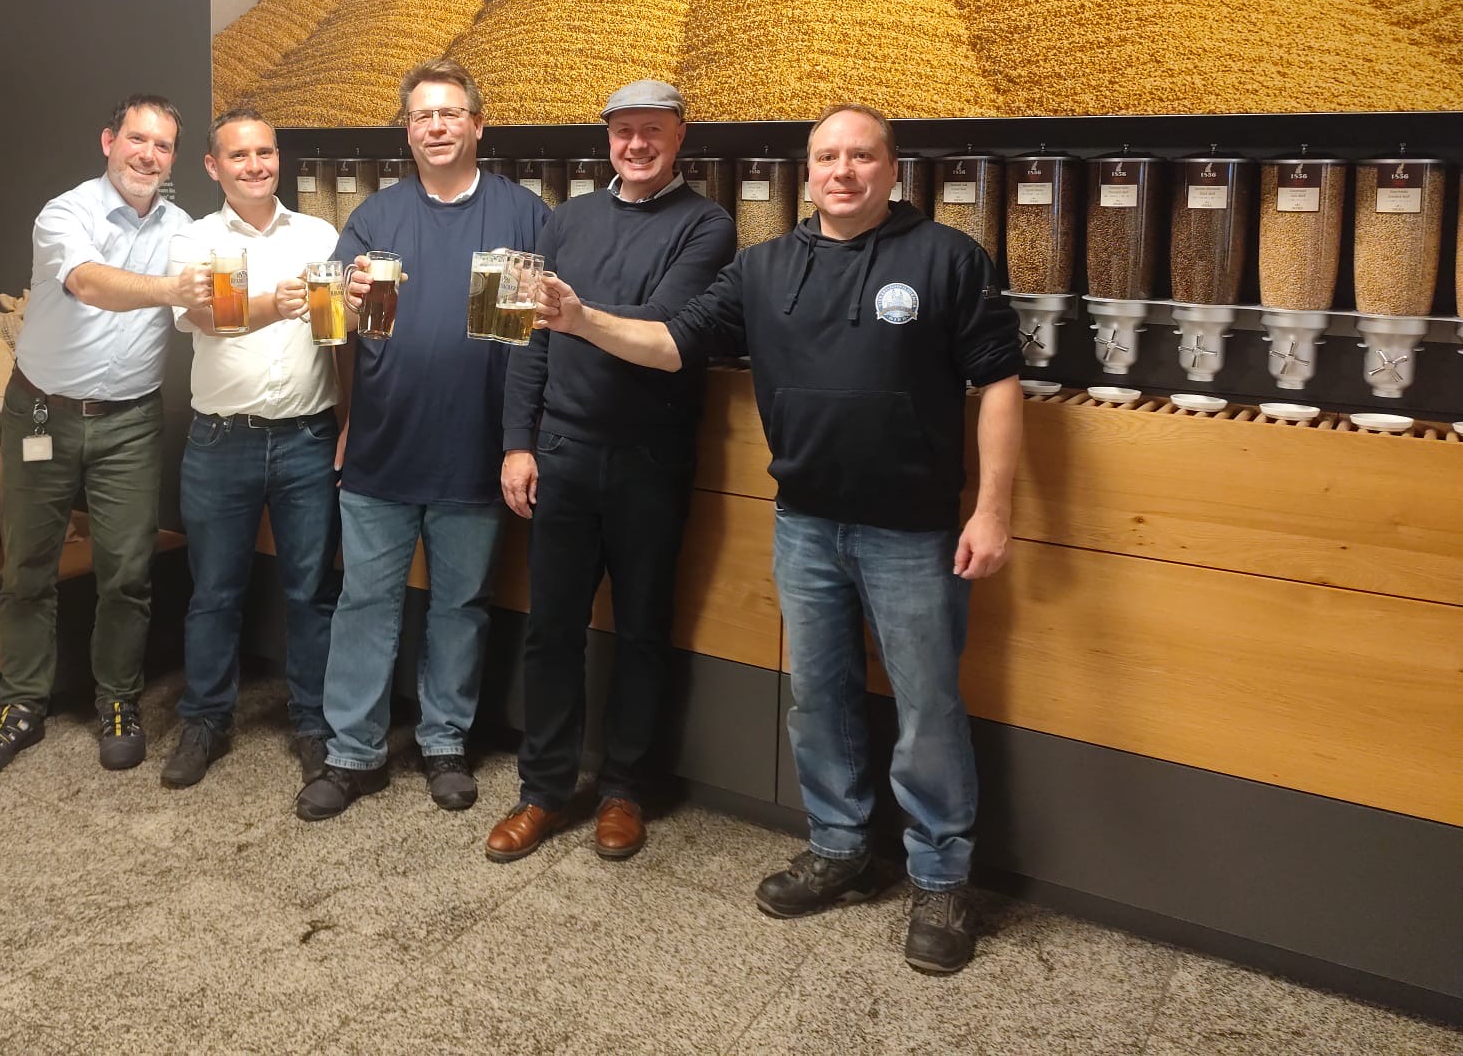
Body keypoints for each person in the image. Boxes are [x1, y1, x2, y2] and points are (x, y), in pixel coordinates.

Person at [535, 104, 1022, 975]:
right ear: (808, 172)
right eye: (827, 157)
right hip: (805, 522)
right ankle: (838, 846)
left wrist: (992, 509)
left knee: (928, 709)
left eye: (861, 156)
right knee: (817, 697)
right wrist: (581, 321)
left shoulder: (947, 258)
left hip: (914, 531)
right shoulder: (763, 268)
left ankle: (942, 879)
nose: (843, 171)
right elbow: (671, 345)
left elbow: (999, 384)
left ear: (892, 169)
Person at [484, 80, 735, 866]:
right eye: (624, 131)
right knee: (551, 629)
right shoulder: (565, 220)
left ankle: (625, 788)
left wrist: (580, 316)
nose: (637, 145)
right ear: (608, 140)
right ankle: (543, 789)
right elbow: (525, 337)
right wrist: (517, 443)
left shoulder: (708, 226)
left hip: (650, 461)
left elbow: (665, 332)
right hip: (562, 453)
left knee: (642, 629)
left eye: (652, 131)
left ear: (679, 137)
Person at [295, 59, 550, 821]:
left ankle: (445, 743)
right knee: (364, 604)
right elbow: (330, 325)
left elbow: (528, 343)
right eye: (421, 116)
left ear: (478, 124)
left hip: (475, 451)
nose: (435, 127)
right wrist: (340, 308)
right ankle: (352, 753)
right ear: (406, 130)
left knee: (461, 606)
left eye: (449, 113)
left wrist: (519, 441)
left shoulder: (522, 216)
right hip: (381, 451)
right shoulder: (375, 217)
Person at [0, 94, 208, 780]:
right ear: (108, 141)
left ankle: (118, 701)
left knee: (127, 573)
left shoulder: (183, 229)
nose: (147, 155)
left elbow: (211, 300)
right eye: (137, 139)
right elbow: (89, 283)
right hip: (41, 414)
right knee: (27, 569)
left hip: (129, 422)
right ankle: (21, 705)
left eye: (162, 146)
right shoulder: (64, 213)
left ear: (174, 159)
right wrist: (173, 289)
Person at [163, 108, 341, 790]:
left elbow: (333, 329)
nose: (255, 165)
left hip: (307, 438)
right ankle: (205, 720)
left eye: (265, 152)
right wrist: (276, 303)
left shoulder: (318, 234)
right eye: (239, 156)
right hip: (221, 442)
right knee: (214, 592)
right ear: (214, 166)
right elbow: (208, 317)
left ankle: (314, 723)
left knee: (310, 591)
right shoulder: (195, 239)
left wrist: (357, 306)